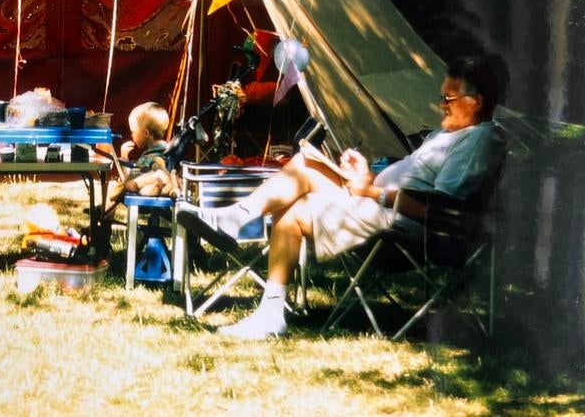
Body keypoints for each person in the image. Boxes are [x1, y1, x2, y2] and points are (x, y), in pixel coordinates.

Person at [177, 55, 508, 339]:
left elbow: (440, 209)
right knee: (306, 160)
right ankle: (237, 221)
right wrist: (366, 176)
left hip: (403, 226)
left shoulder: (481, 140)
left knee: (295, 211)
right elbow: (411, 178)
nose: (441, 105)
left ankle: (267, 306)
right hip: (376, 202)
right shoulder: (445, 134)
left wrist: (371, 191)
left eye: (447, 99)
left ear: (475, 101)